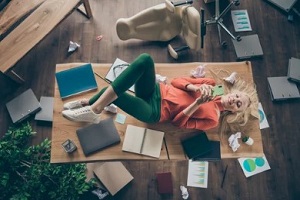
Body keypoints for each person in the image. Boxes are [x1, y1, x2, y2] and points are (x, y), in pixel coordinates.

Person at [62, 53, 258, 132]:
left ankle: (91, 106)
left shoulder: (213, 118)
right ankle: (92, 108)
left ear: (234, 111)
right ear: (234, 91)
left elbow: (178, 123)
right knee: (146, 59)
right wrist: (195, 88)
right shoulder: (213, 84)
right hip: (155, 90)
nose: (235, 100)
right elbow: (176, 81)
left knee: (111, 92)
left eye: (238, 104)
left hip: (154, 112)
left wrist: (197, 103)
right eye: (238, 96)